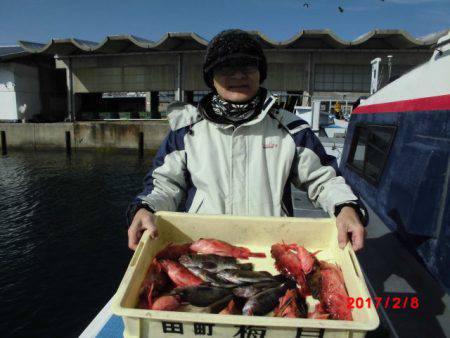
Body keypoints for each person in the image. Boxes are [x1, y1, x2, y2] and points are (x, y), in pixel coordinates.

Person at [126, 29, 366, 252]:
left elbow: (322, 180)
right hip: (205, 252)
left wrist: (345, 207)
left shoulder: (291, 129)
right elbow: (165, 186)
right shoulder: (186, 132)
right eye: (227, 68)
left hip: (270, 251)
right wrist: (146, 209)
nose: (239, 75)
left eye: (248, 67)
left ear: (260, 73)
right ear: (211, 77)